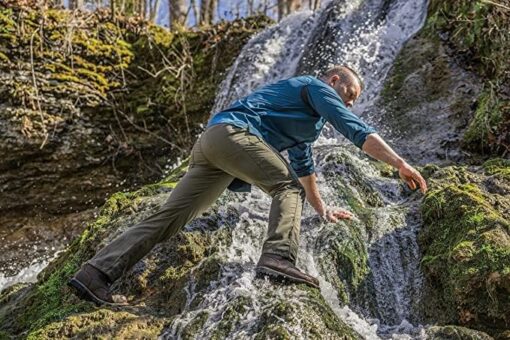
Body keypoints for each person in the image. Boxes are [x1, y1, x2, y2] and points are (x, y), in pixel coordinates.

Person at [68, 65, 428, 306]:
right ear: (333, 81)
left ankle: (96, 273)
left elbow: (304, 168)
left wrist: (322, 209)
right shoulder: (314, 87)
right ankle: (278, 257)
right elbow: (354, 129)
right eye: (350, 92)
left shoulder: (306, 123)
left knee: (169, 217)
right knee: (286, 189)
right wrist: (399, 162)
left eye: (355, 99)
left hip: (213, 143)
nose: (351, 101)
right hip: (233, 135)